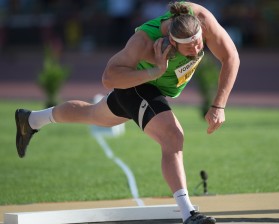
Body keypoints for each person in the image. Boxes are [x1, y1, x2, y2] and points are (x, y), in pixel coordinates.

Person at [15, 1, 239, 223]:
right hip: (135, 85)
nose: (197, 50)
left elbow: (231, 57)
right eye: (189, 49)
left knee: (93, 114)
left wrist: (218, 105)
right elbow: (109, 77)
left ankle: (32, 120)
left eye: (199, 44)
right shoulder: (143, 41)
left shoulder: (202, 18)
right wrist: (155, 71)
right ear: (171, 41)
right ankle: (188, 214)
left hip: (152, 89)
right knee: (173, 137)